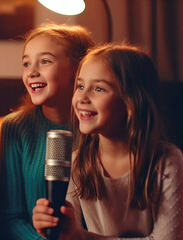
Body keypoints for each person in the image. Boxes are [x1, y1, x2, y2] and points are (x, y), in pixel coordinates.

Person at [32, 43, 183, 239]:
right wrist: (58, 229)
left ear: (132, 102)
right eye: (80, 86)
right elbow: (72, 235)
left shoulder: (168, 163)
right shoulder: (77, 162)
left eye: (99, 89)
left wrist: (80, 237)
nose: (82, 97)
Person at [0, 23, 95, 239]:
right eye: (26, 63)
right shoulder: (15, 127)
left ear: (78, 69)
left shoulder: (98, 127)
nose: (31, 72)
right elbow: (9, 219)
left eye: (45, 61)